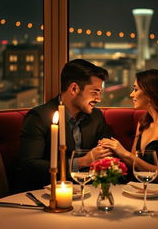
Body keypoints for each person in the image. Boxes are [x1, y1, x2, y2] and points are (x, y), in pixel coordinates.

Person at [17, 59, 113, 191]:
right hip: (50, 193)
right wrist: (83, 161)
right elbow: (30, 165)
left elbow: (107, 154)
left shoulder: (96, 116)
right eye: (94, 92)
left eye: (100, 93)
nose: (99, 99)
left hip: (91, 191)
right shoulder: (38, 117)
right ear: (74, 88)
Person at [99, 69, 158, 183]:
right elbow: (134, 164)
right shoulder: (143, 123)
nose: (131, 94)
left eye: (136, 89)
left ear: (151, 93)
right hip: (140, 189)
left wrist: (124, 152)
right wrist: (112, 150)